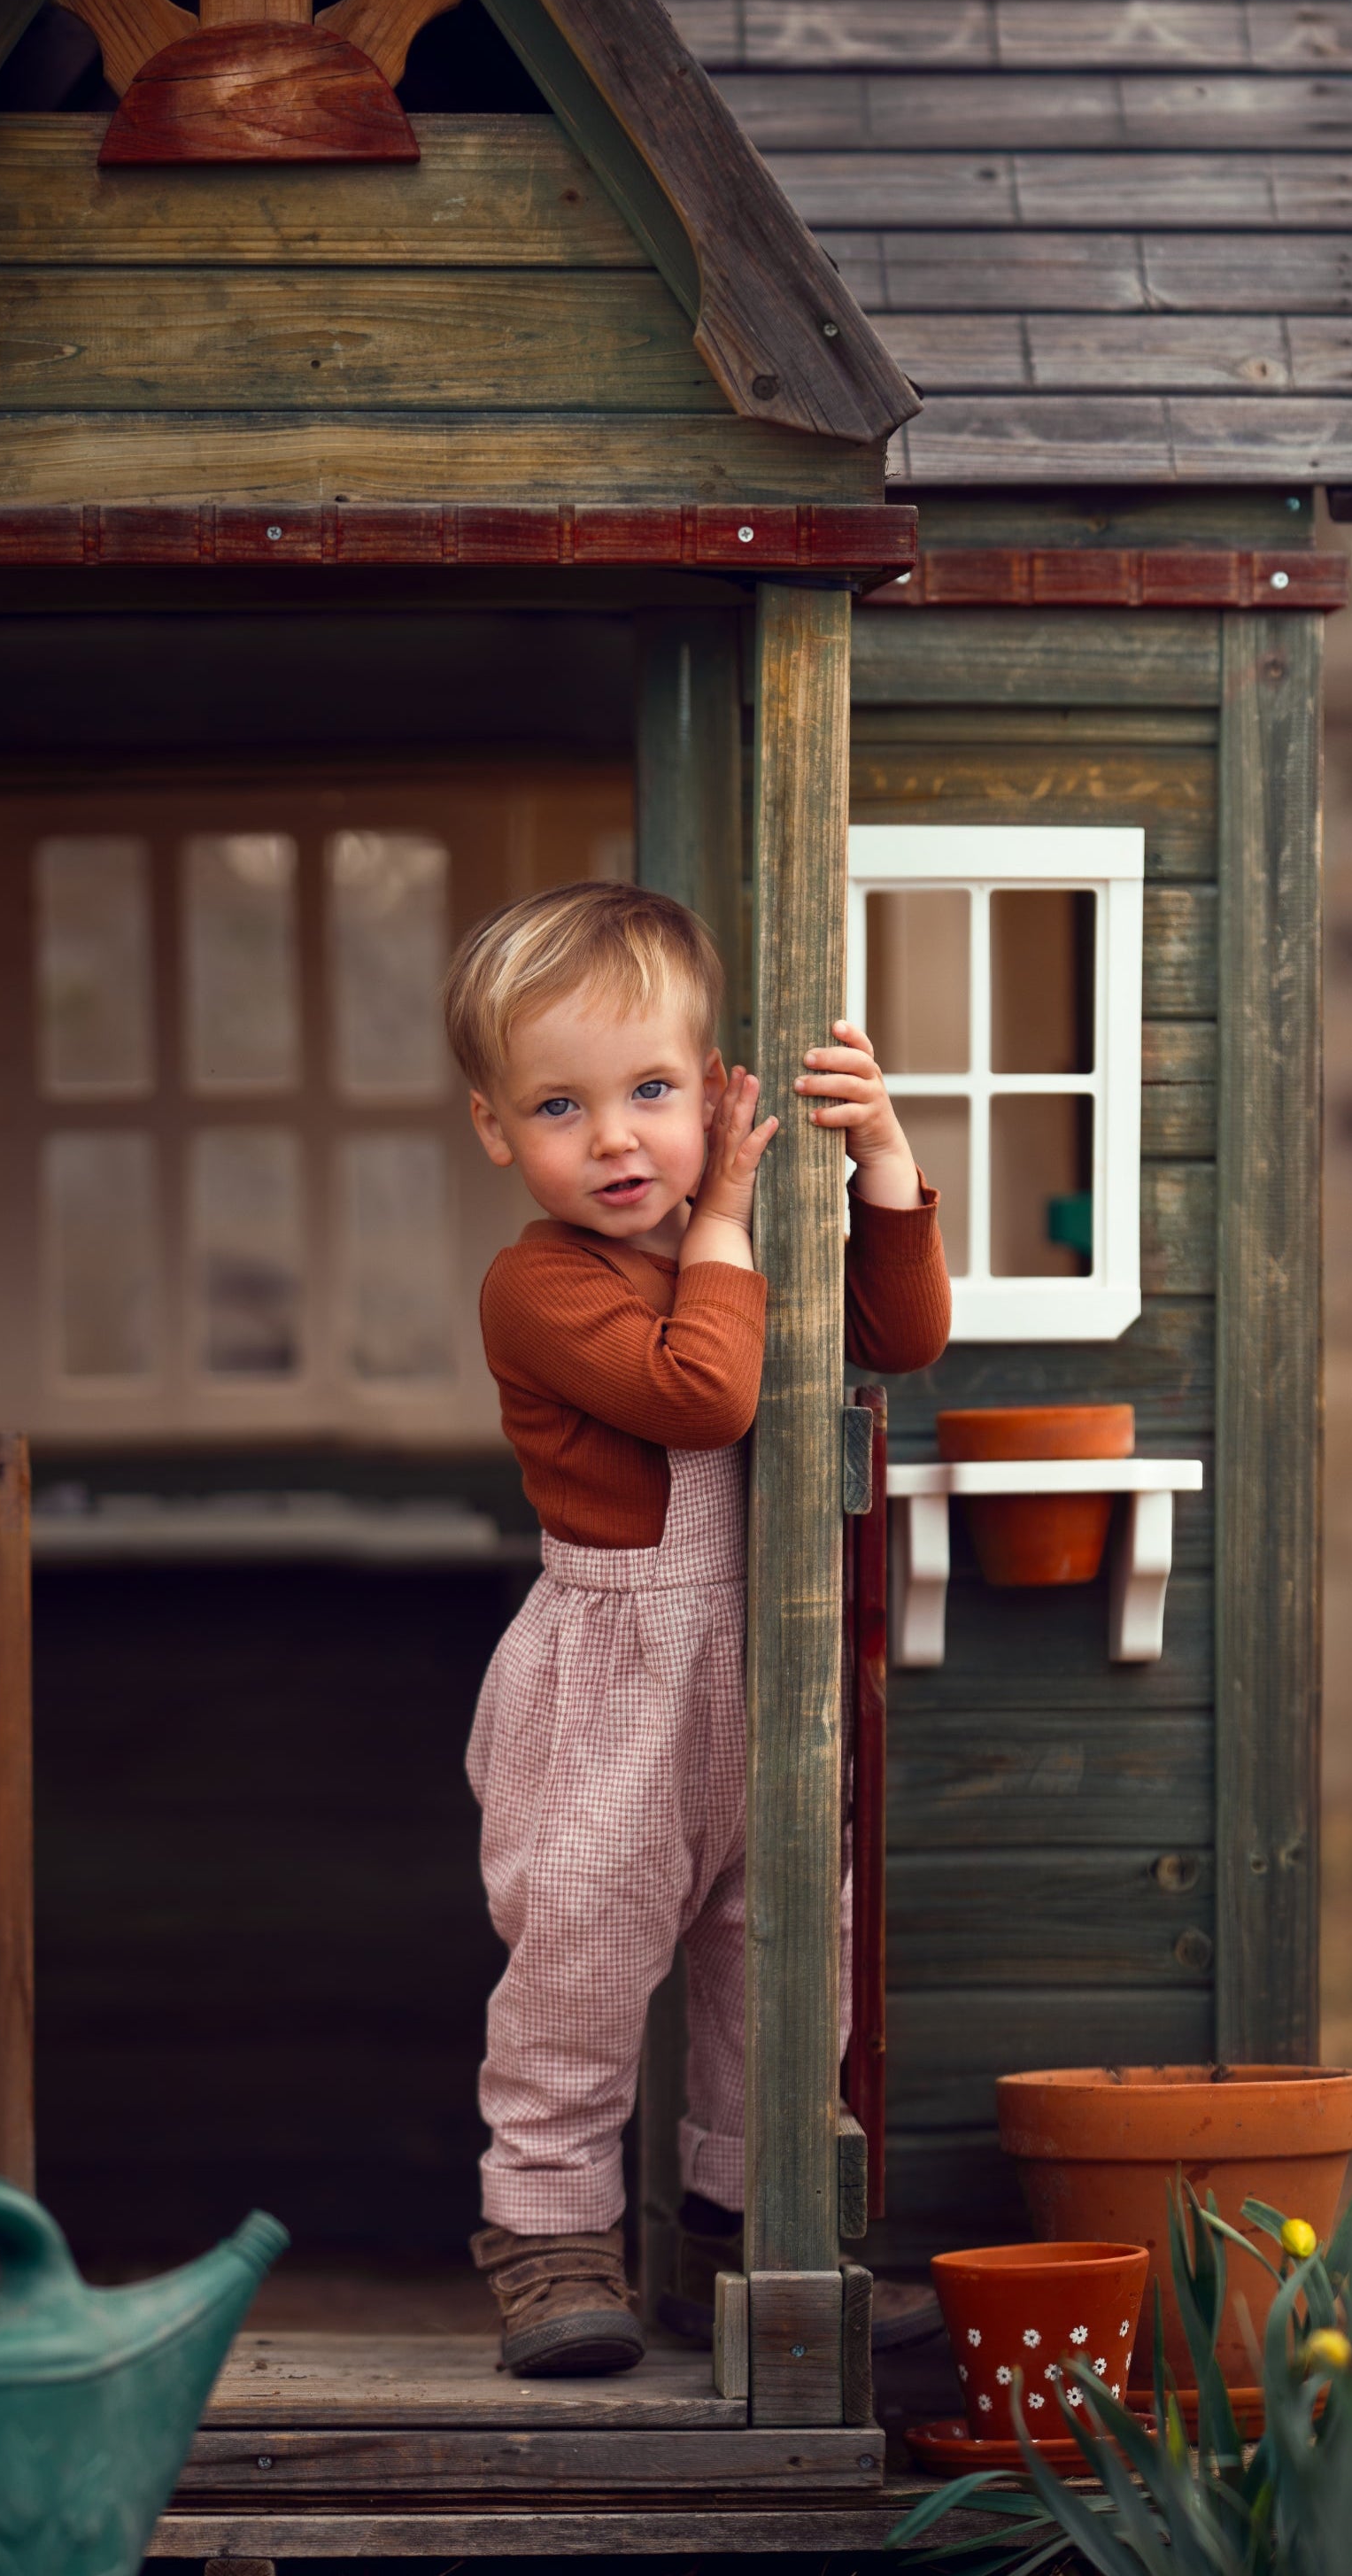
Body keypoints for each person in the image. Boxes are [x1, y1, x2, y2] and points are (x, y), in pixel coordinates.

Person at [444, 879, 951, 2375]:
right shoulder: (538, 1282)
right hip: (610, 1685)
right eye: (560, 1106)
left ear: (714, 1089)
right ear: (495, 1129)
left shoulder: (742, 1245)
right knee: (581, 1963)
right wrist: (723, 1212)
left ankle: (743, 2232)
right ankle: (548, 2242)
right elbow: (703, 1395)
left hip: (764, 1675)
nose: (615, 1140)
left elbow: (903, 1334)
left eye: (652, 1092)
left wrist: (880, 1149)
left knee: (781, 1966)